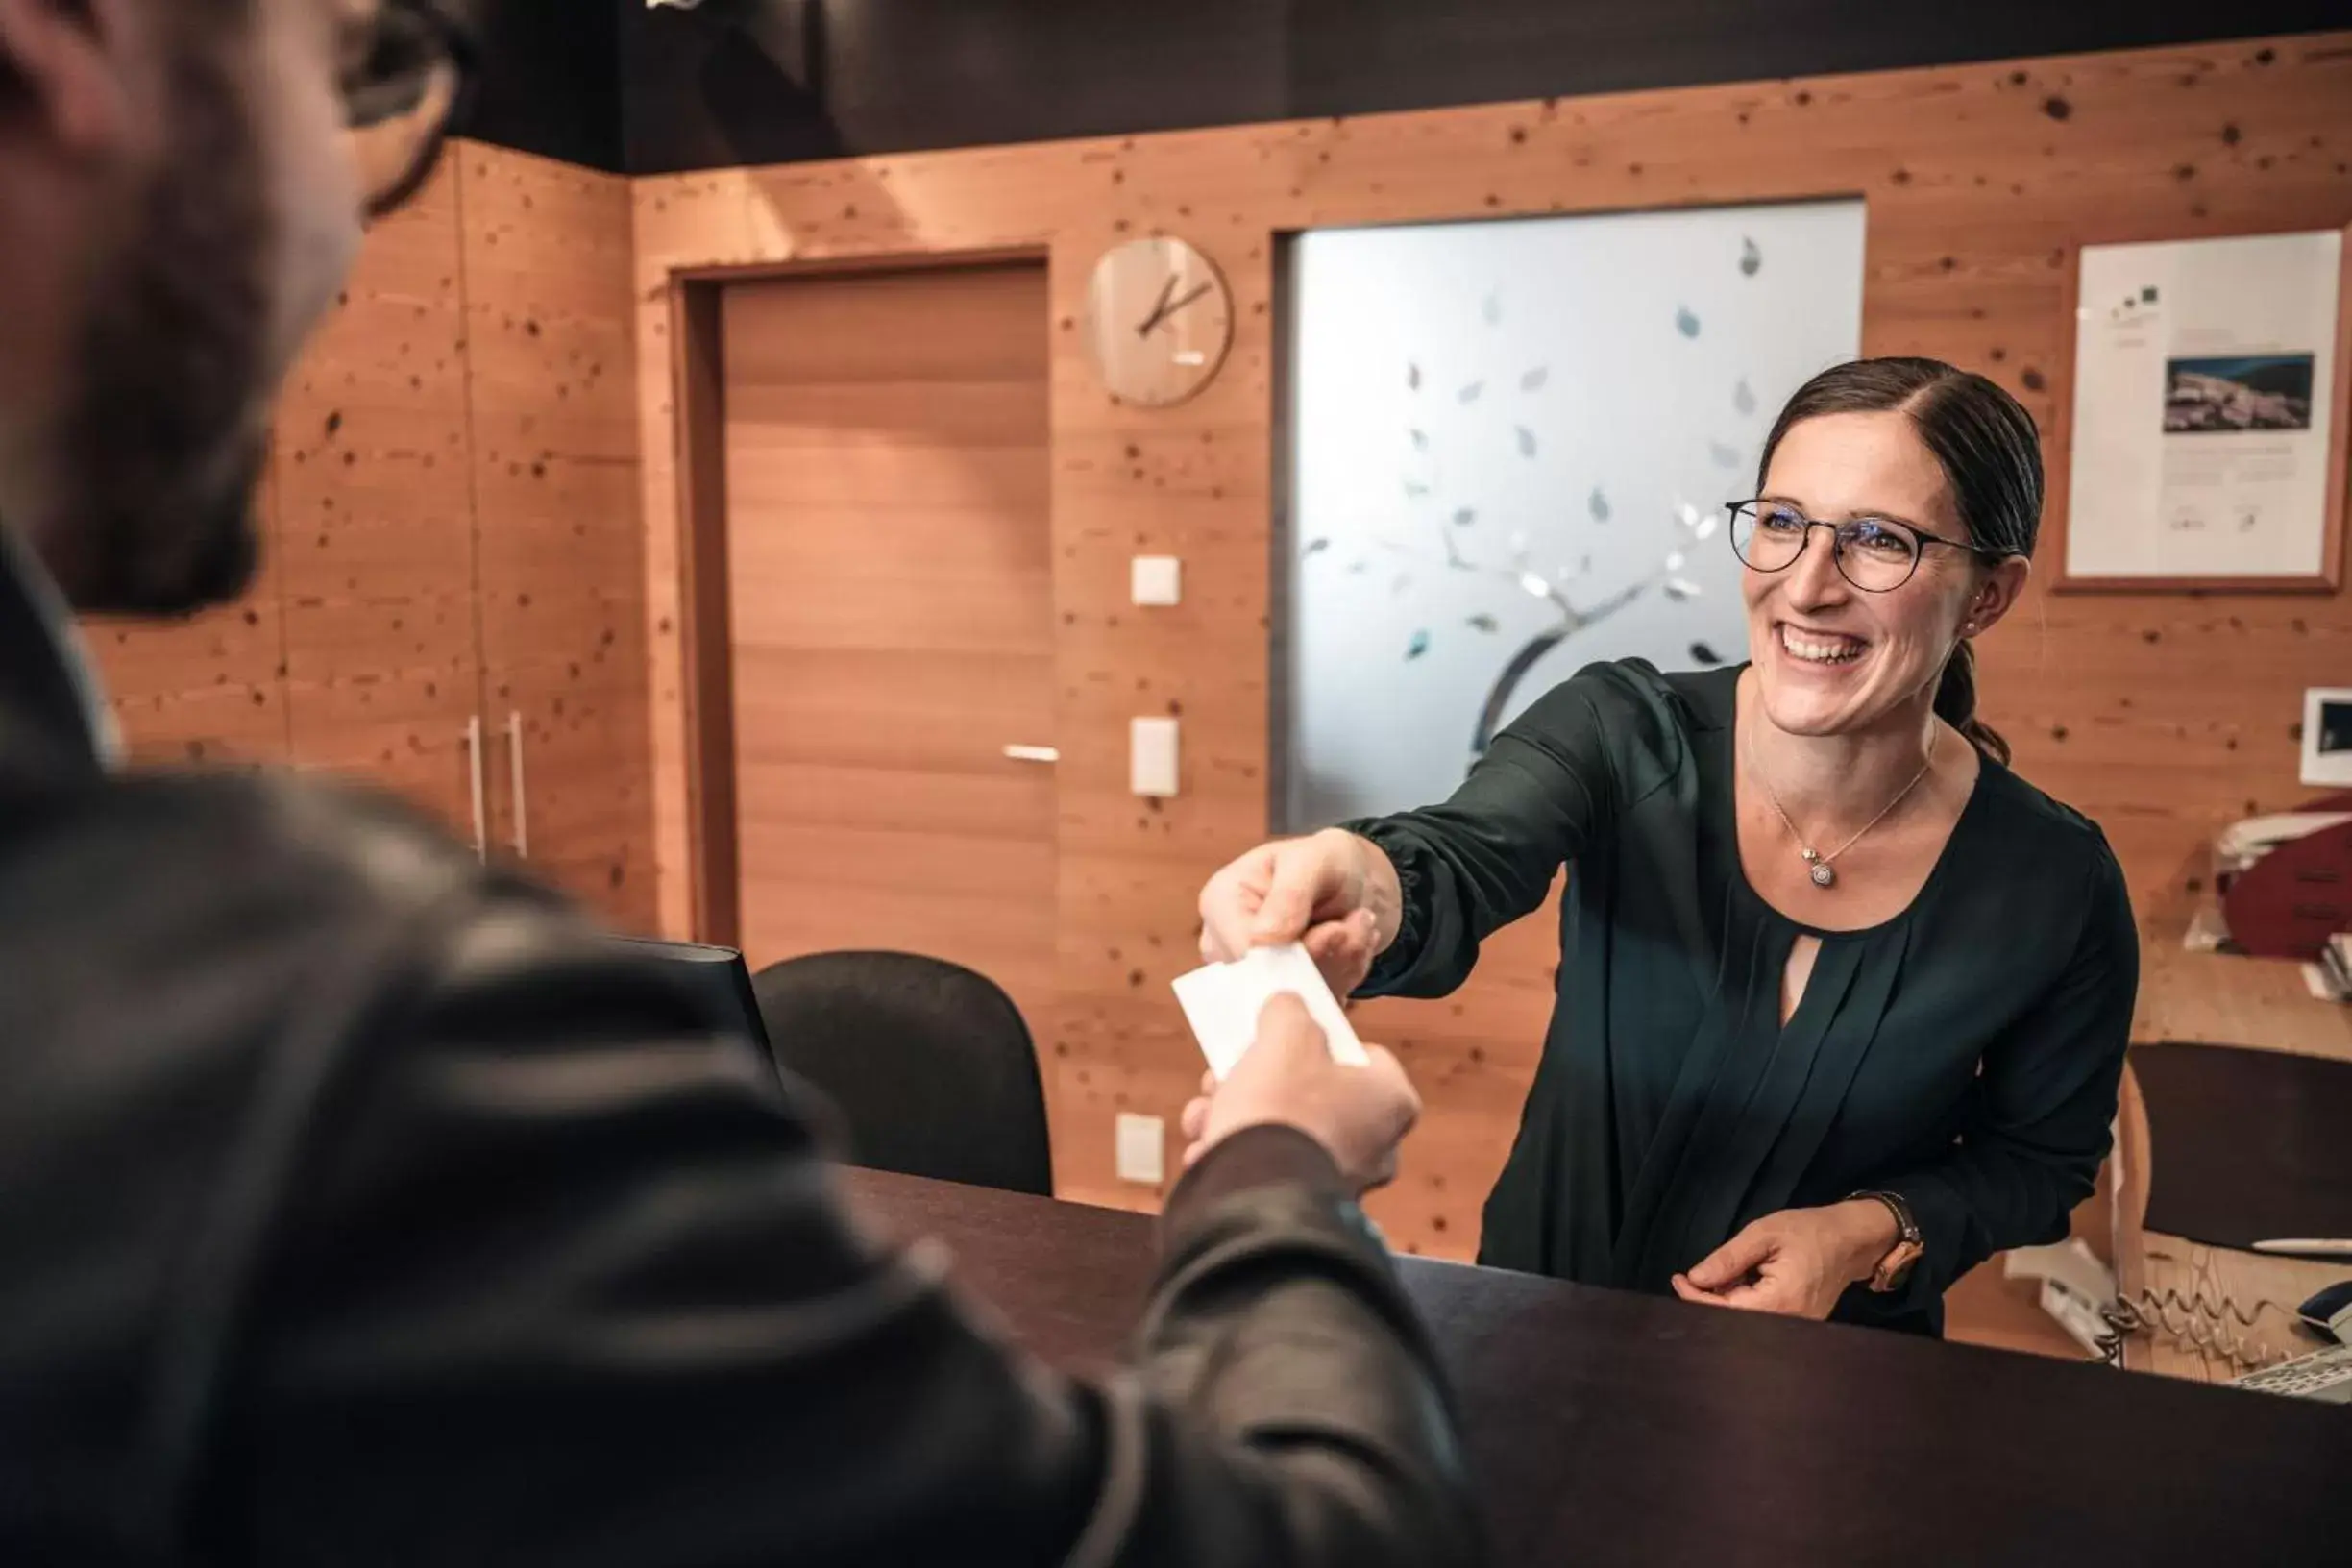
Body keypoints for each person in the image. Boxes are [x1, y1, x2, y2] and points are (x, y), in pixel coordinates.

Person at [0, 3, 1479, 1562]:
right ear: (53, 62)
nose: (355, 228)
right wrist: (1276, 1162)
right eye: (351, 69)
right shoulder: (340, 1042)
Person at [1203, 357, 2141, 1337]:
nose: (1807, 585)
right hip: (1535, 1337)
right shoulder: (1623, 731)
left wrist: (1867, 1233)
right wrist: (1360, 877)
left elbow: (2038, 1162)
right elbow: (1458, 856)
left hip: (1829, 1392)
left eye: (1877, 542)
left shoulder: (2057, 883)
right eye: (1782, 522)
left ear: (1989, 595)